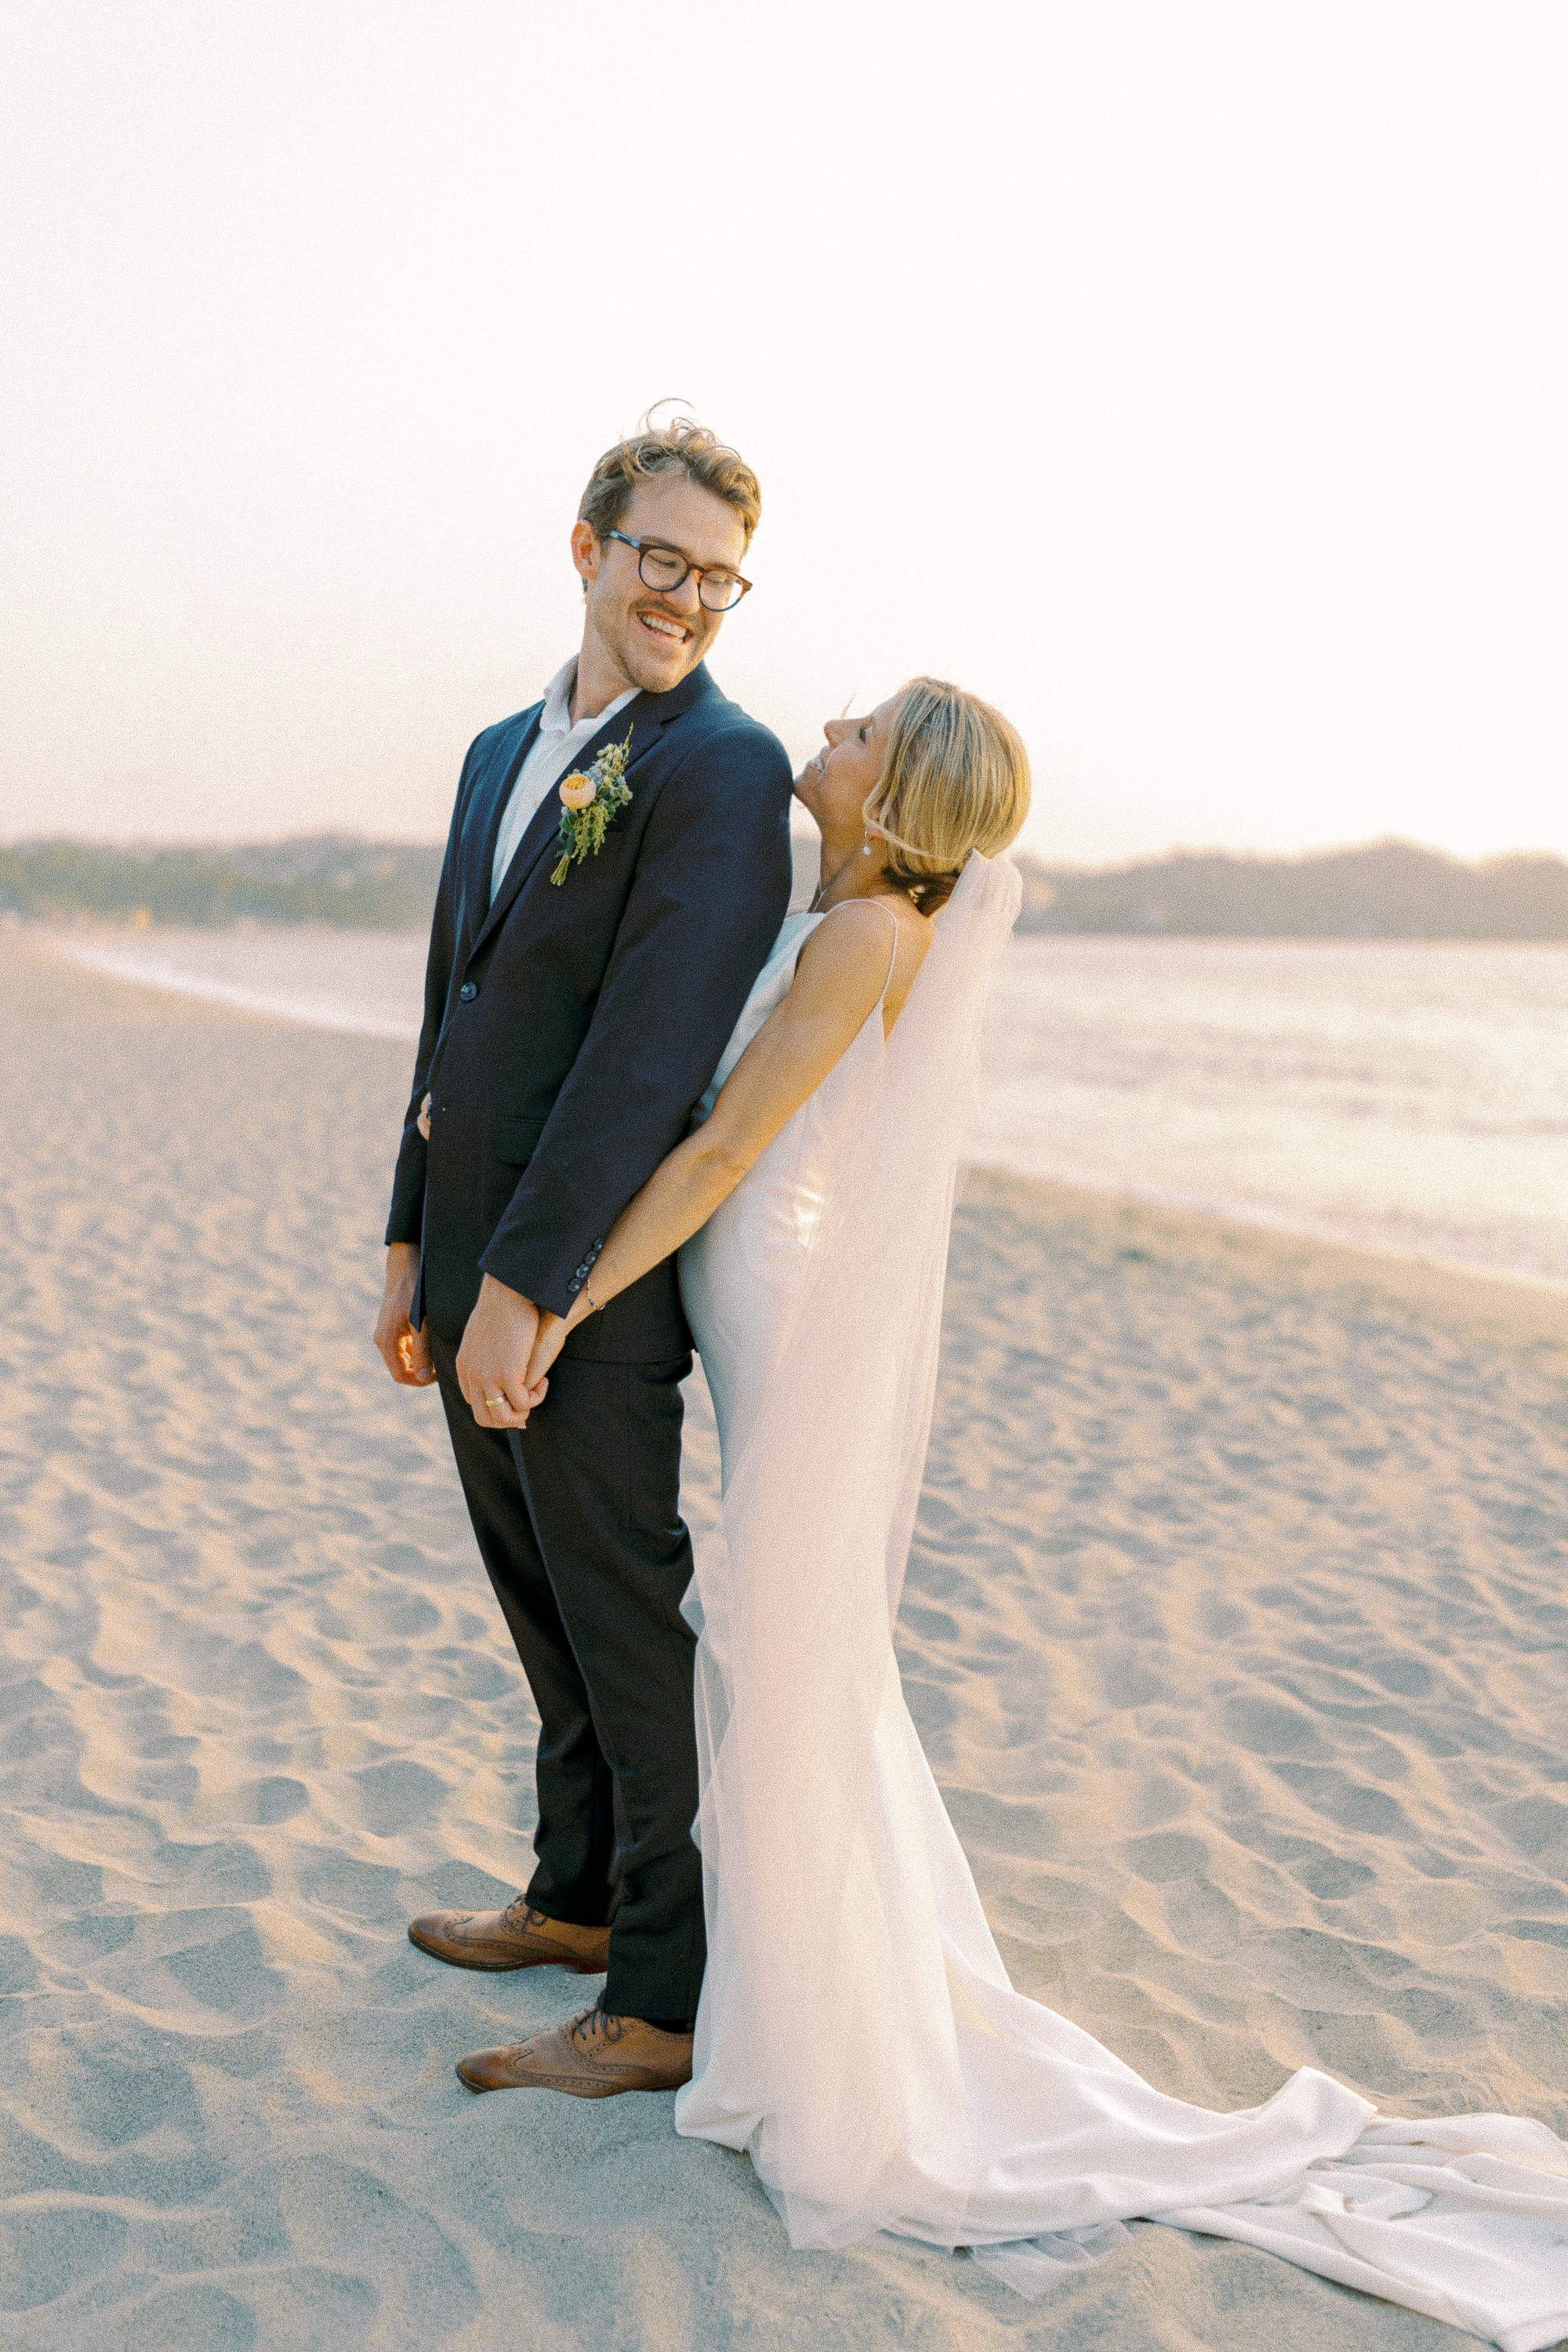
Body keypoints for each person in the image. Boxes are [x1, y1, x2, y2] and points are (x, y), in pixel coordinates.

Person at [456, 678, 1568, 2350]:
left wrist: (556, 1297)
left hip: (779, 1312)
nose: (830, 728)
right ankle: (759, 1976)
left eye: (862, 731)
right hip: (762, 1299)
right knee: (784, 1661)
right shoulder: (846, 917)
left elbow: (725, 1155)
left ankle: (786, 2018)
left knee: (788, 1660)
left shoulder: (861, 937)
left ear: (896, 792)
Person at [373, 415, 793, 2089]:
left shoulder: (723, 767)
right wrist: (411, 1238)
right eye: (659, 558)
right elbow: (452, 1004)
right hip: (469, 1246)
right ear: (587, 549)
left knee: (623, 1623)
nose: (685, 597)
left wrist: (527, 1285)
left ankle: (663, 1998)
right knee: (536, 1601)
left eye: (718, 576)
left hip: (582, 1281)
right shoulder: (499, 750)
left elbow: (648, 1051)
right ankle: (574, 1901)